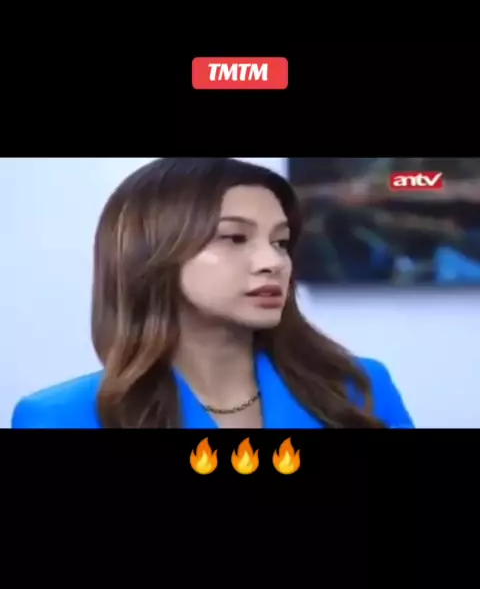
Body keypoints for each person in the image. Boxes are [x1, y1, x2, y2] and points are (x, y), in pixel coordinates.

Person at [11, 157, 414, 429]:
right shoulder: (59, 416)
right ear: (152, 253)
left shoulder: (358, 390)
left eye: (280, 242)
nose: (272, 262)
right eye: (235, 238)